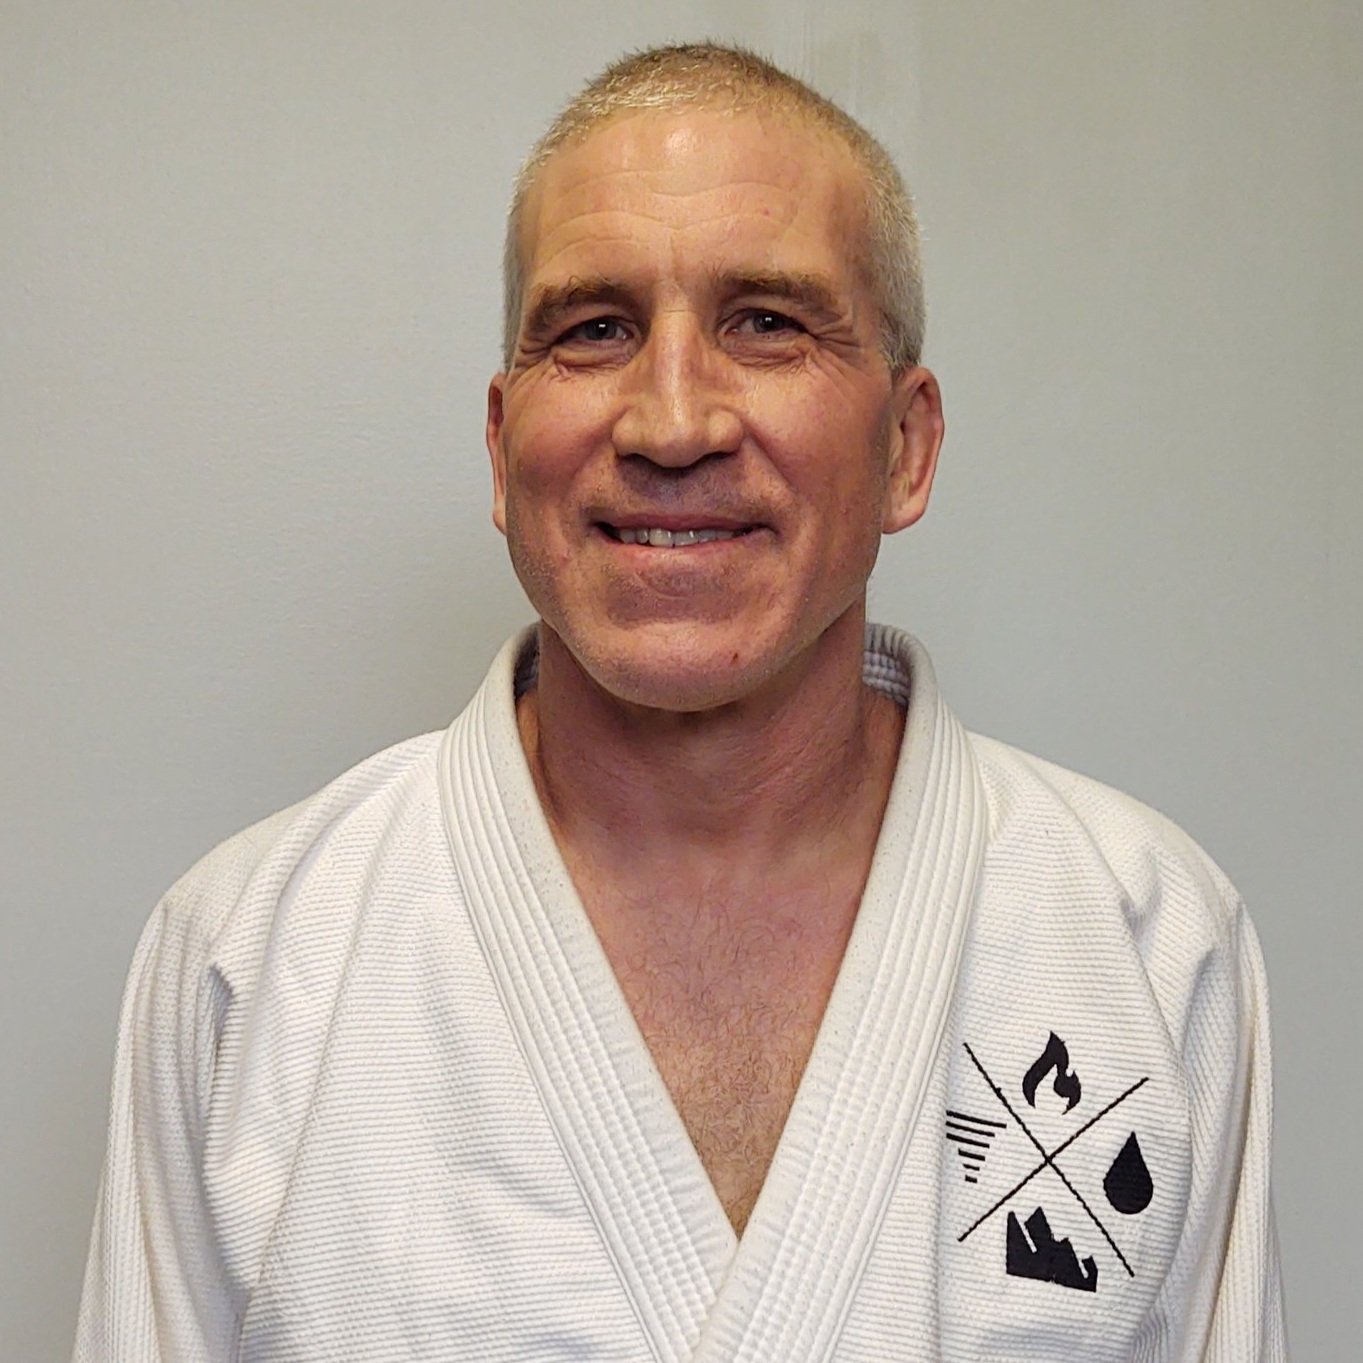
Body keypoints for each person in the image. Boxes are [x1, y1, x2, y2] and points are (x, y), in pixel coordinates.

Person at [73, 42, 1286, 1363]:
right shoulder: (253, 962)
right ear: (502, 448)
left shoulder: (1148, 946)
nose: (671, 422)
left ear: (906, 444)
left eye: (767, 321)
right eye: (592, 330)